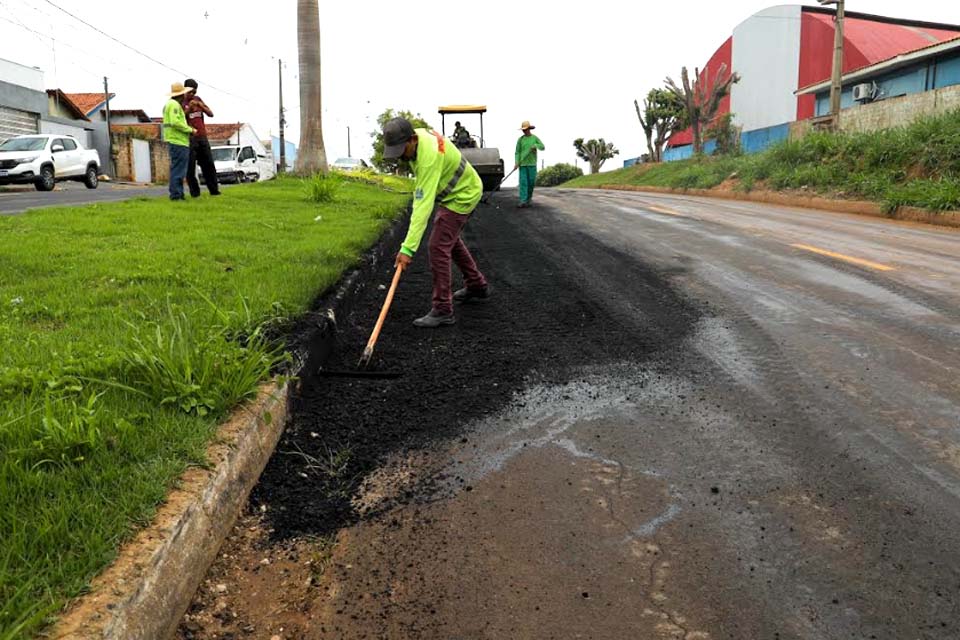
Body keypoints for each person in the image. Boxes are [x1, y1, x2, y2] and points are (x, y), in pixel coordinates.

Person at [382, 117, 490, 328]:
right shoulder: (418, 140)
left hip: (463, 195)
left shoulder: (428, 156)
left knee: (437, 246)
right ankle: (476, 284)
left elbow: (422, 206)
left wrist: (408, 249)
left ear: (412, 139)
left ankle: (442, 309)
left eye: (402, 149)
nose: (401, 156)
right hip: (456, 193)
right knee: (450, 240)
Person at [183, 78, 220, 197]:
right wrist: (189, 109)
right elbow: (180, 118)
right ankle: (195, 193)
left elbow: (211, 113)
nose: (192, 94)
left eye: (194, 92)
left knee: (208, 164)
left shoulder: (198, 100)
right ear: (185, 90)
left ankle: (214, 190)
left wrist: (200, 105)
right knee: (190, 167)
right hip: (189, 138)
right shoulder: (180, 103)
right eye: (190, 92)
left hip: (202, 137)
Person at [162, 82, 195, 201]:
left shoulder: (170, 104)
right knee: (179, 170)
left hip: (176, 140)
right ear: (181, 94)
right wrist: (190, 129)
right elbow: (175, 122)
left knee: (178, 169)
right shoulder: (174, 105)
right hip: (178, 140)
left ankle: (178, 194)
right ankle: (176, 195)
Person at [514, 120, 545, 208]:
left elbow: (543, 147)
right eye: (523, 129)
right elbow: (517, 152)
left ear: (529, 129)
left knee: (531, 182)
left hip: (532, 164)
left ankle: (528, 199)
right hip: (522, 164)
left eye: (526, 129)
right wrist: (516, 162)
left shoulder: (534, 138)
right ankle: (523, 201)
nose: (524, 131)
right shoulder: (520, 140)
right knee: (523, 182)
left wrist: (536, 146)